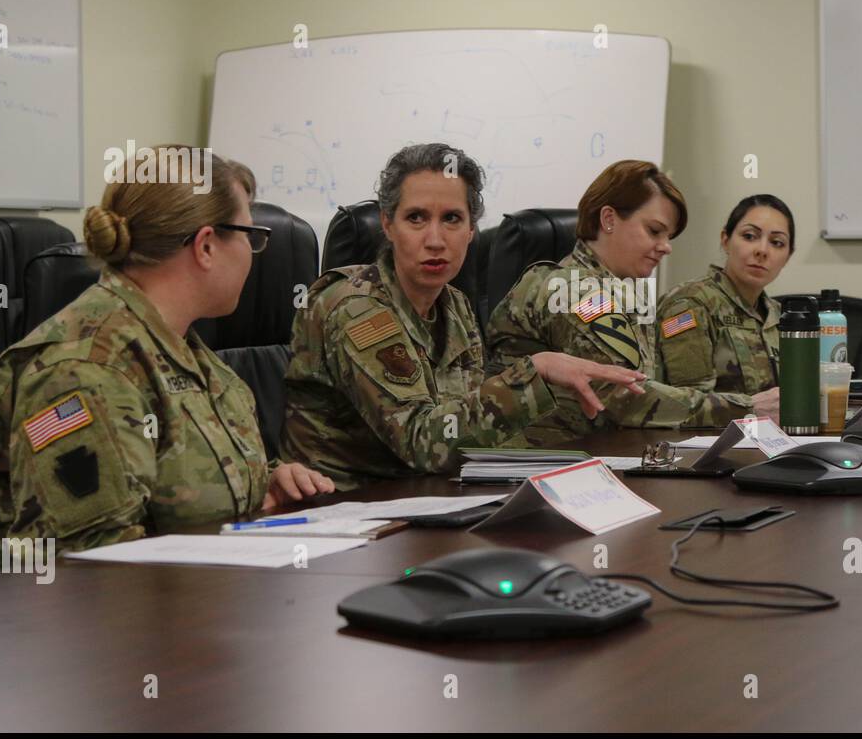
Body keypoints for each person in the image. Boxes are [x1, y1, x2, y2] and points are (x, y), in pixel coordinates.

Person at [0, 146, 334, 552]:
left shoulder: (189, 353)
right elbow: (93, 565)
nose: (254, 257)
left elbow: (191, 487)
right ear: (206, 246)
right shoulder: (86, 369)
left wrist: (267, 485)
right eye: (250, 237)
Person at [280, 143, 645, 489]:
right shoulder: (353, 306)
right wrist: (536, 372)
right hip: (346, 508)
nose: (435, 239)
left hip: (430, 499)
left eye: (452, 219)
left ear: (471, 230)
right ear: (387, 225)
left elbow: (462, 428)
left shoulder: (454, 305)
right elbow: (421, 442)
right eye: (416, 218)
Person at [485, 160, 780, 445]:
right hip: (533, 467)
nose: (666, 247)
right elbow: (628, 398)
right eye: (654, 231)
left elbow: (657, 387)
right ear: (609, 219)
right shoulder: (575, 290)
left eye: (668, 236)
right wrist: (746, 408)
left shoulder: (629, 292)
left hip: (603, 455)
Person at [657, 194, 794, 393]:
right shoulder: (689, 304)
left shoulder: (782, 316)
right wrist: (752, 408)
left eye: (777, 243)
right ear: (725, 240)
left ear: (788, 256)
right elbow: (688, 403)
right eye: (749, 236)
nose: (762, 250)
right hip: (714, 425)